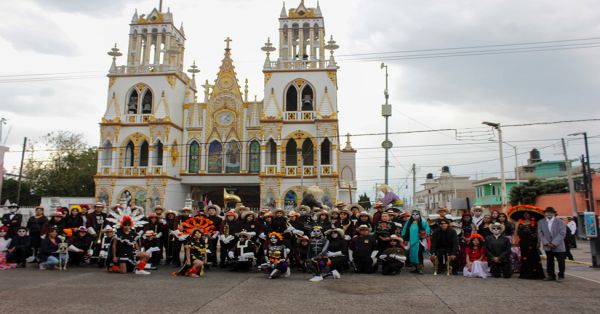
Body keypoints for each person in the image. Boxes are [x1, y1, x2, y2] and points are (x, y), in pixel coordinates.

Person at [108, 207, 150, 275]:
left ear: (131, 226)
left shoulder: (132, 233)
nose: (127, 227)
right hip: (122, 253)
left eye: (128, 225)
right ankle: (112, 267)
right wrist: (114, 256)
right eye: (125, 225)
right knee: (123, 272)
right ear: (122, 225)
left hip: (131, 251)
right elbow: (114, 245)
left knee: (147, 255)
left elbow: (135, 243)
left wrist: (139, 251)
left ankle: (139, 269)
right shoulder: (118, 233)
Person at [538, 207, 567, 281]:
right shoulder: (541, 222)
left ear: (554, 213)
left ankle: (561, 276)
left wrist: (554, 243)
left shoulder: (560, 222)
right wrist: (547, 243)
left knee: (561, 261)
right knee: (549, 261)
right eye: (547, 212)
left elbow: (562, 233)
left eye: (551, 212)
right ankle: (551, 275)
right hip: (547, 245)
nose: (549, 214)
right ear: (545, 213)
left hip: (558, 245)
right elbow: (540, 233)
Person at [514, 211, 544, 279]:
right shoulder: (518, 222)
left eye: (528, 214)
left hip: (533, 242)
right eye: (525, 214)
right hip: (523, 242)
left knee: (534, 257)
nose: (526, 215)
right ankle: (525, 274)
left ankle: (535, 274)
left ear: (530, 215)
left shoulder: (535, 222)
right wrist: (515, 241)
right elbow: (515, 232)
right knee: (524, 257)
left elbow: (538, 233)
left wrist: (539, 242)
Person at [402, 210, 430, 274]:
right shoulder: (408, 222)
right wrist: (405, 239)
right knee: (412, 254)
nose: (414, 216)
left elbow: (427, 230)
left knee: (419, 254)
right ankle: (415, 268)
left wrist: (424, 234)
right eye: (413, 214)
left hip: (420, 241)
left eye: (416, 214)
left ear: (419, 215)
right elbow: (404, 230)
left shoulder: (423, 222)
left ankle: (420, 268)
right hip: (410, 241)